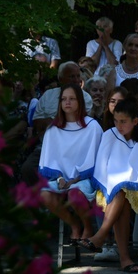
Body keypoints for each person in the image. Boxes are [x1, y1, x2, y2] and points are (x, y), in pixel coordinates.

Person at [79, 98, 138, 273]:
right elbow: (101, 167)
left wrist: (132, 181)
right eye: (116, 120)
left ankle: (101, 237)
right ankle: (124, 259)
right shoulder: (109, 135)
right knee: (120, 193)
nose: (118, 125)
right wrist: (113, 184)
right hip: (113, 189)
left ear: (135, 121)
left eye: (123, 121)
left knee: (122, 193)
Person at [39, 84, 102, 243]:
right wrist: (60, 178)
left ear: (80, 102)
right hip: (58, 179)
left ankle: (87, 226)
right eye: (64, 99)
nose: (67, 102)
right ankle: (74, 225)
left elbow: (96, 158)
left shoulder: (92, 126)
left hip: (84, 179)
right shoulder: (53, 129)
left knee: (75, 194)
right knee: (44, 195)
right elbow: (49, 159)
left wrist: (76, 179)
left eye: (72, 99)